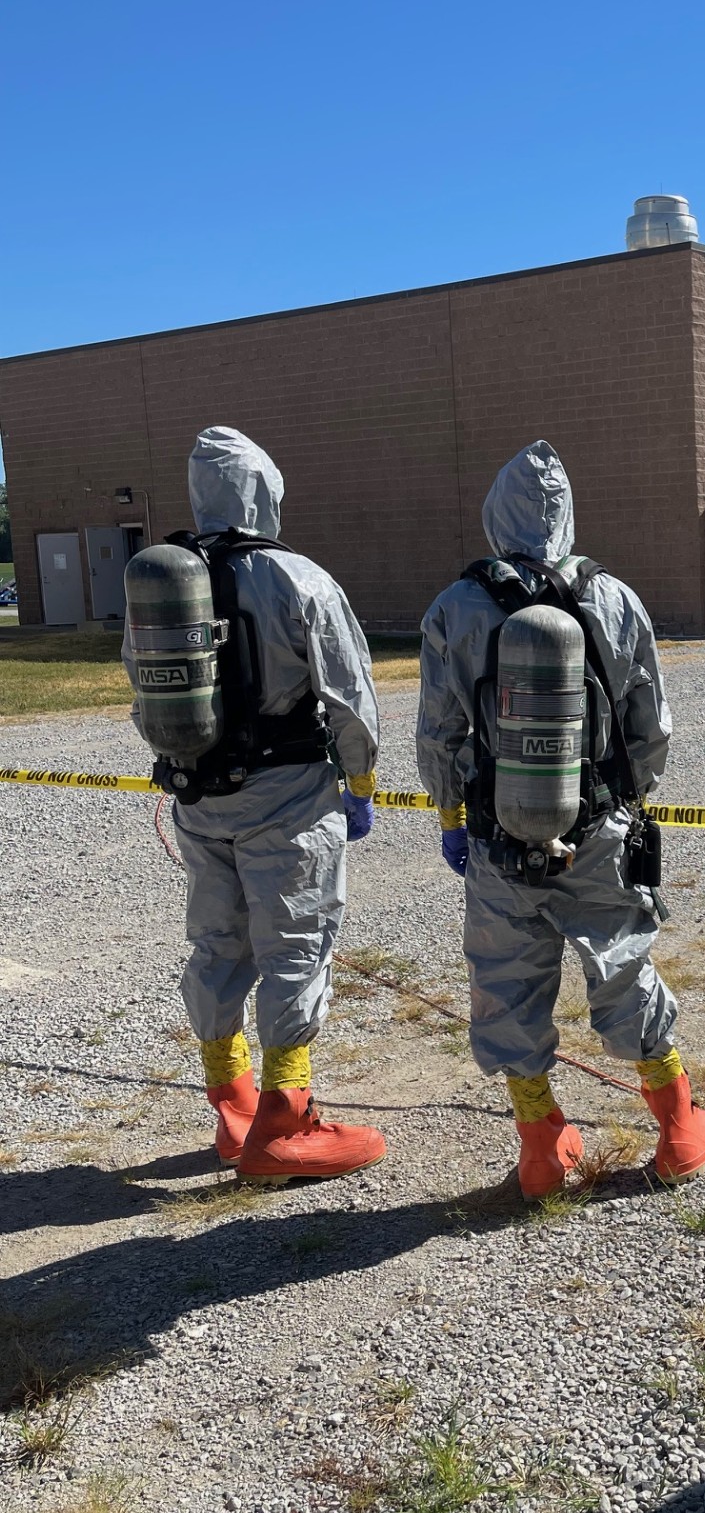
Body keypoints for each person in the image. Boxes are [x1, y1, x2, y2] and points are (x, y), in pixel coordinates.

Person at [415, 439, 705, 1200]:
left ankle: (540, 1150)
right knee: (624, 966)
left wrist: (453, 816)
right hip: (596, 830)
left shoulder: (455, 607)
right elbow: (651, 726)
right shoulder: (614, 599)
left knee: (505, 984)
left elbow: (439, 734)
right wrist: (628, 801)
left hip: (497, 838)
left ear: (496, 517)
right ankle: (681, 1131)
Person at [124, 427, 386, 1180]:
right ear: (265, 492)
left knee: (216, 947)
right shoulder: (299, 578)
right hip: (290, 801)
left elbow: (145, 691)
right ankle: (283, 1125)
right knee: (296, 949)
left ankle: (231, 1107)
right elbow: (353, 702)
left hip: (199, 799)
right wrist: (359, 787)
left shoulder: (168, 581)